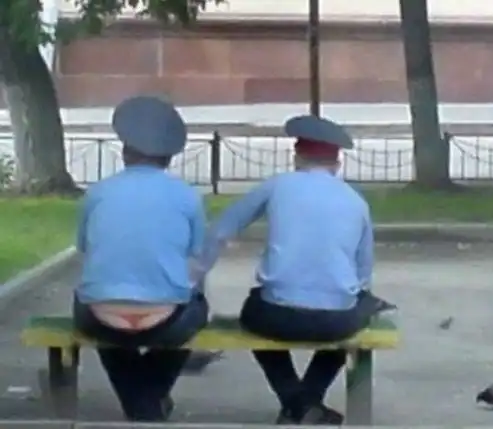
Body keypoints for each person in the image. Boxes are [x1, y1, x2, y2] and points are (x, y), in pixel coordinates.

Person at [196, 115, 396, 425]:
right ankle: (307, 401)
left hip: (277, 315)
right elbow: (363, 272)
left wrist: (195, 276)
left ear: (297, 157)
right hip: (335, 321)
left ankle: (296, 402)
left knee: (252, 319)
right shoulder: (356, 201)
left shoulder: (277, 186)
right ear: (337, 164)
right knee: (354, 323)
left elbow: (221, 231)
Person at [73, 95, 211, 421]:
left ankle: (143, 406)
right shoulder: (187, 196)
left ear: (124, 151)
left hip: (100, 316)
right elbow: (197, 254)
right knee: (196, 313)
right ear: (169, 157)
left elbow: (84, 247)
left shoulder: (97, 192)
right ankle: (148, 405)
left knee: (107, 332)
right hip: (165, 318)